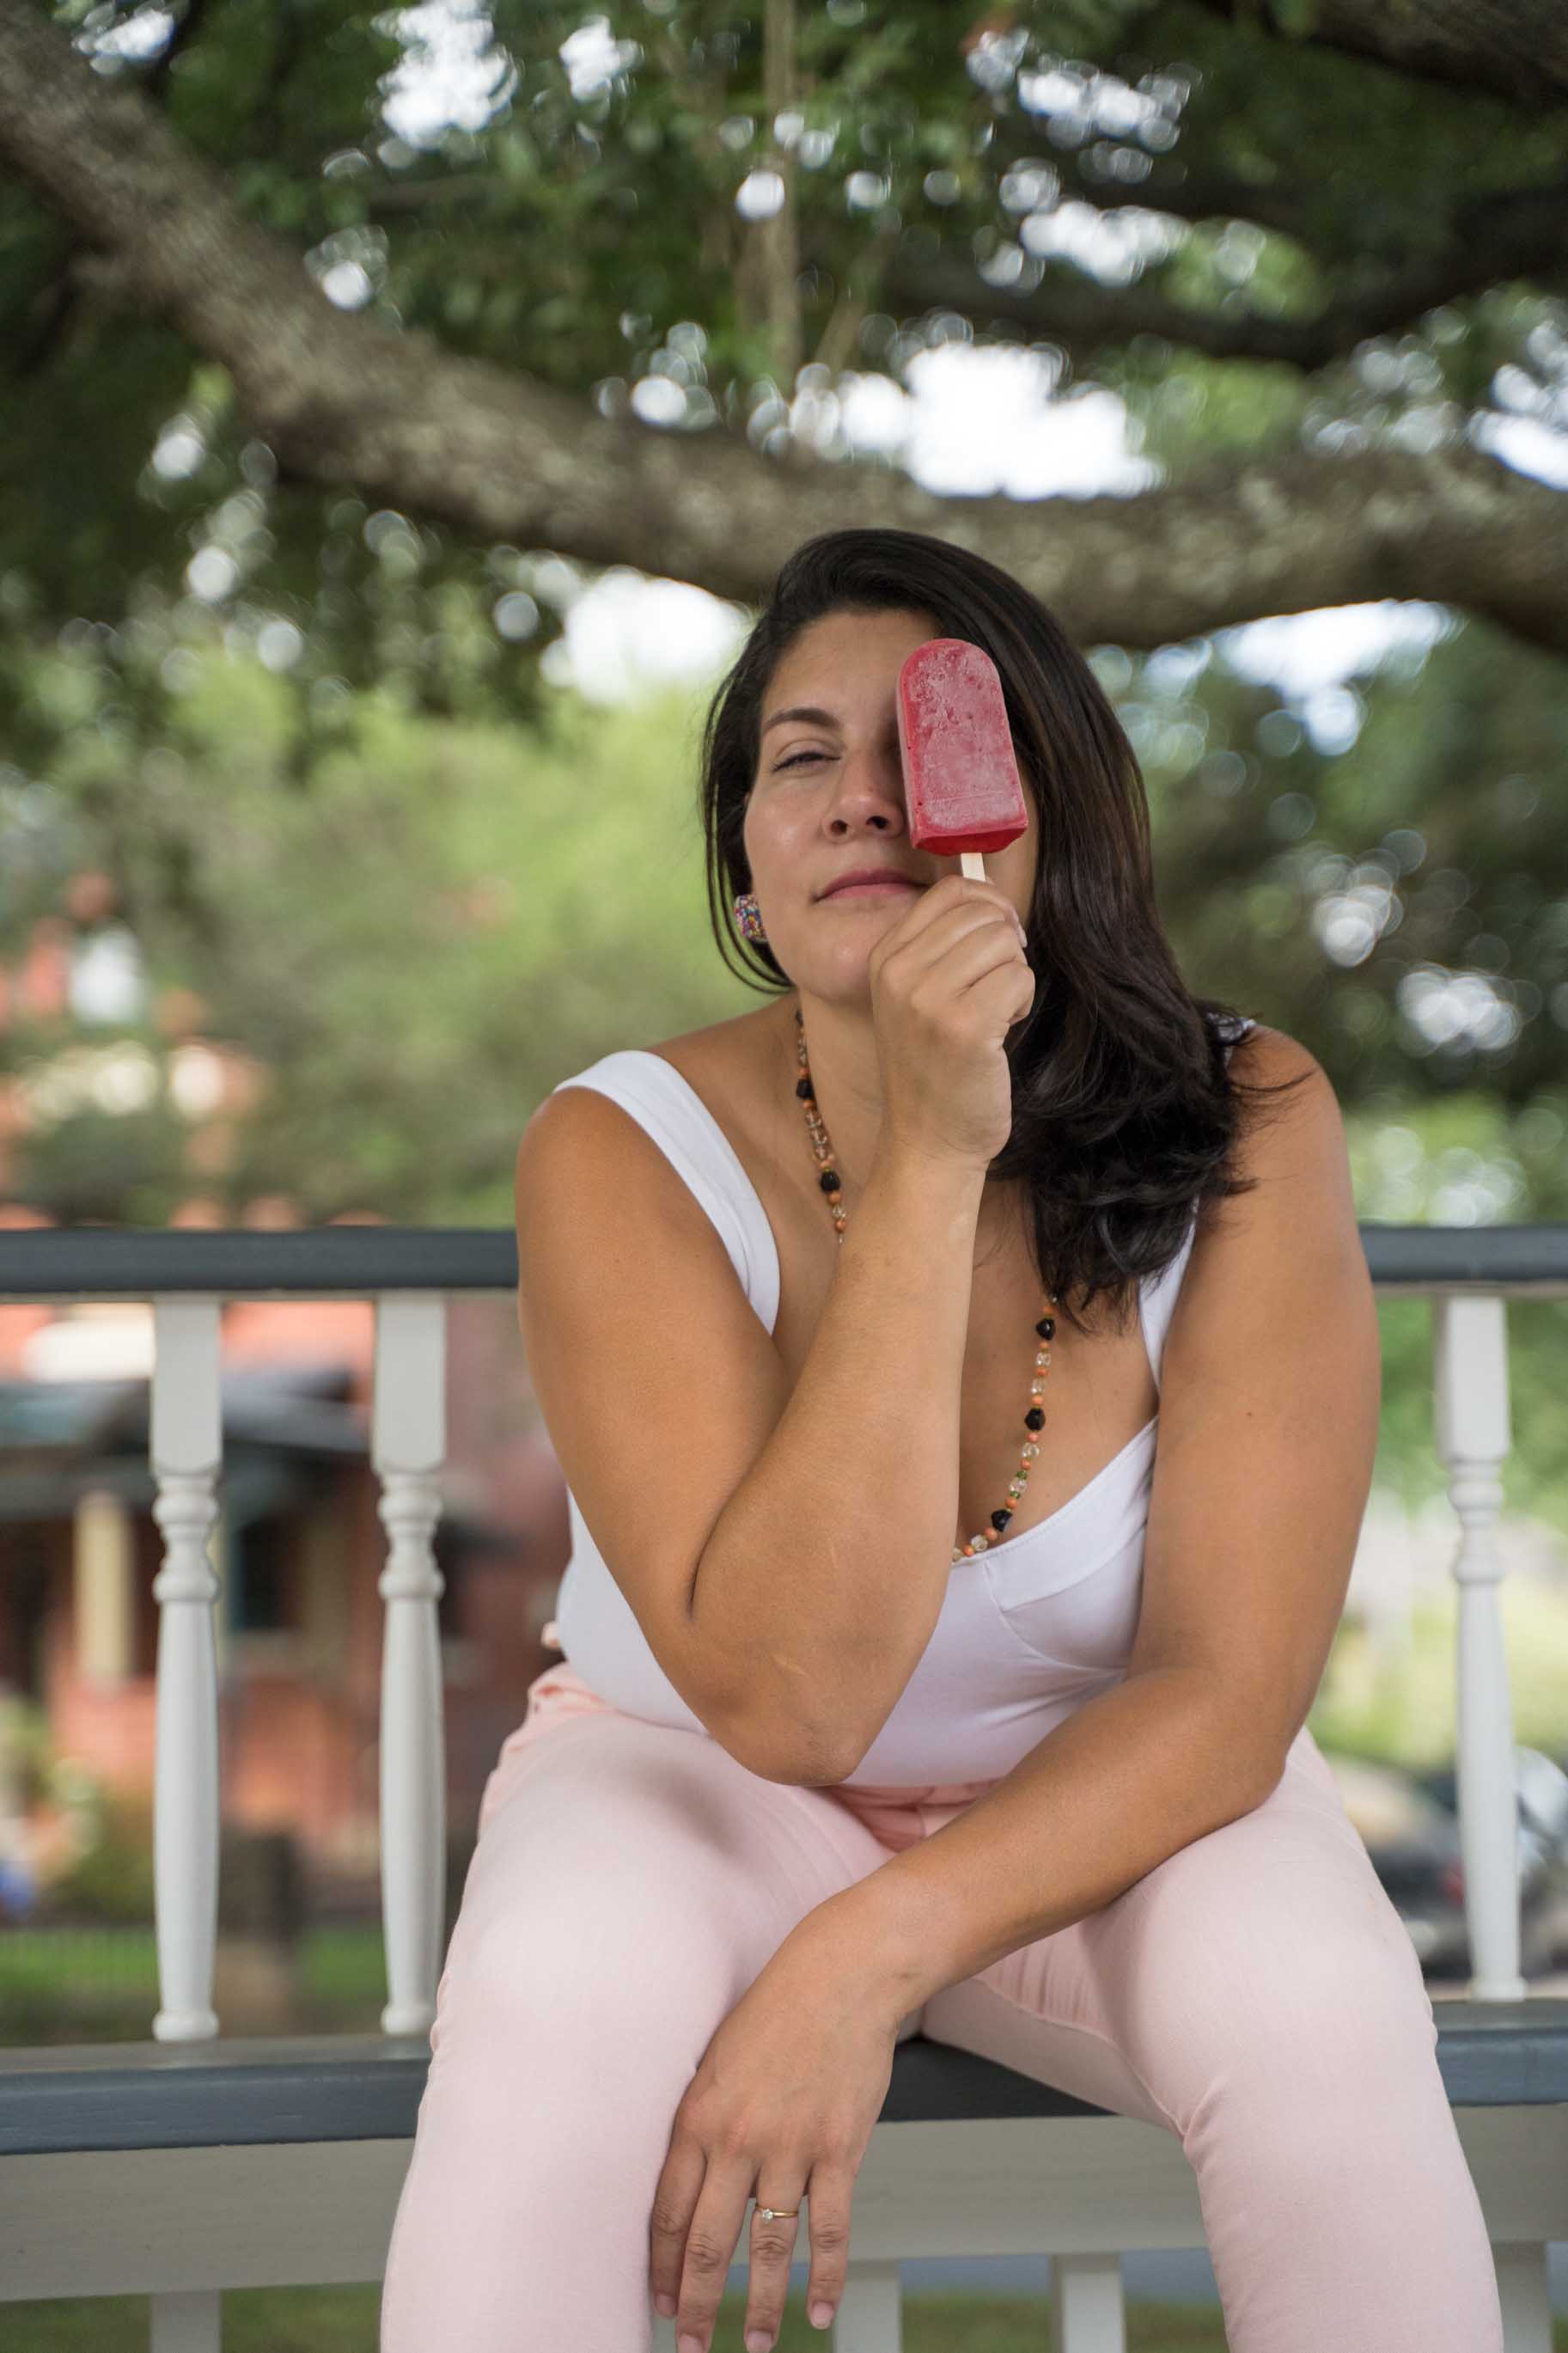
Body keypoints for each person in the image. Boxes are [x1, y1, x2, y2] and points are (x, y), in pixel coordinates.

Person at [379, 529, 1504, 2352]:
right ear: (745, 867)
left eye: (921, 748)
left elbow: (1226, 1689)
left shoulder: (1253, 1111)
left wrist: (862, 1954)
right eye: (798, 756)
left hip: (1109, 1799)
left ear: (1043, 821)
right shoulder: (614, 1147)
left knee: (1322, 2009)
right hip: (697, 1782)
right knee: (546, 2007)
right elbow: (792, 1705)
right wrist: (929, 1153)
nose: (858, 800)